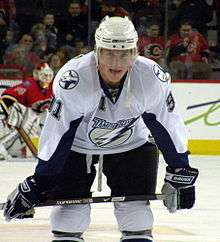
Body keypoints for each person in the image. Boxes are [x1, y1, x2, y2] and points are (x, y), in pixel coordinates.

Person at [3, 16, 199, 242]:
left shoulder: (150, 78)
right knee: (68, 219)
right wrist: (40, 182)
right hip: (76, 146)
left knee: (137, 218)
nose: (116, 62)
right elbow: (58, 135)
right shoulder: (74, 79)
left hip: (131, 143)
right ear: (97, 51)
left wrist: (180, 171)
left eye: (124, 53)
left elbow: (167, 125)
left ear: (134, 53)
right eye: (109, 52)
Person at [0, 62, 53, 159]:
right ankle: (3, 146)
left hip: (39, 116)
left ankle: (45, 153)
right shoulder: (29, 84)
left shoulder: (53, 87)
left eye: (49, 75)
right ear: (37, 74)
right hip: (27, 115)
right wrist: (10, 115)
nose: (47, 78)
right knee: (27, 123)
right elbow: (7, 95)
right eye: (44, 74)